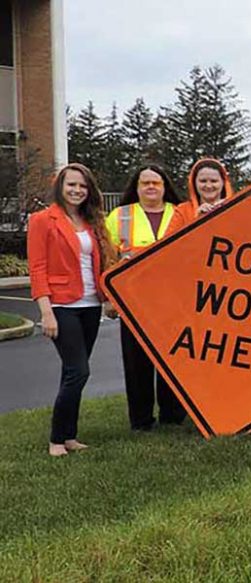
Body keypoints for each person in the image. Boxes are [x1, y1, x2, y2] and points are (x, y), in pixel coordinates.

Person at [28, 164, 115, 456]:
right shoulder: (43, 220)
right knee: (79, 371)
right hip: (62, 306)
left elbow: (102, 261)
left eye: (82, 186)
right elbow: (37, 268)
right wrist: (46, 311)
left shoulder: (92, 221)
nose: (77, 191)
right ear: (60, 187)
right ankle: (56, 439)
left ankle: (70, 436)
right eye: (71, 185)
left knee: (73, 372)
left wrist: (107, 299)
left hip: (90, 304)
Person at [106, 164, 186, 430]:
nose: (151, 187)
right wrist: (110, 299)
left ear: (165, 187)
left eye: (156, 183)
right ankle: (140, 420)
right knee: (136, 362)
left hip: (173, 302)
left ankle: (172, 416)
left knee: (172, 361)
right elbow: (107, 258)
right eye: (145, 183)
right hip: (133, 302)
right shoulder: (120, 216)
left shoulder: (180, 212)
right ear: (136, 187)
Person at [166, 158, 234, 233]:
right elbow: (168, 243)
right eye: (203, 181)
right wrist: (197, 221)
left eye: (214, 181)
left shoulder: (236, 208)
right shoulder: (182, 211)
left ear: (223, 183)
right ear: (194, 183)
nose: (208, 186)